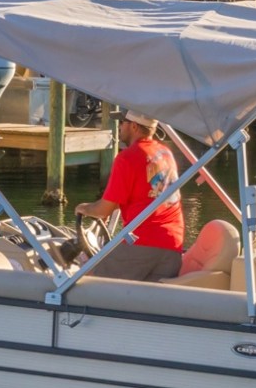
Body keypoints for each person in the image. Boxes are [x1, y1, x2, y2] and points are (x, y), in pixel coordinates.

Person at [74, 111, 184, 280]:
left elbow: (103, 211)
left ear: (134, 126)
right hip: (173, 246)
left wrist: (83, 208)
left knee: (86, 278)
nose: (119, 127)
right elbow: (145, 196)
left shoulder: (127, 158)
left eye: (122, 122)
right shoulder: (165, 152)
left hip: (143, 243)